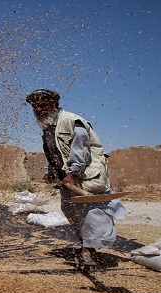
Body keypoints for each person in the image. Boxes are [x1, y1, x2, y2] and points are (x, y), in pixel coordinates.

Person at [26, 89, 126, 266]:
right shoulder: (48, 127)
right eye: (35, 106)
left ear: (54, 105)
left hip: (86, 176)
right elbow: (55, 153)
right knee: (70, 210)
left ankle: (88, 252)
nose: (39, 109)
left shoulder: (71, 121)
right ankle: (86, 247)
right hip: (68, 177)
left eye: (43, 105)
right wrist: (50, 170)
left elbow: (81, 149)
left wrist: (73, 173)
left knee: (89, 212)